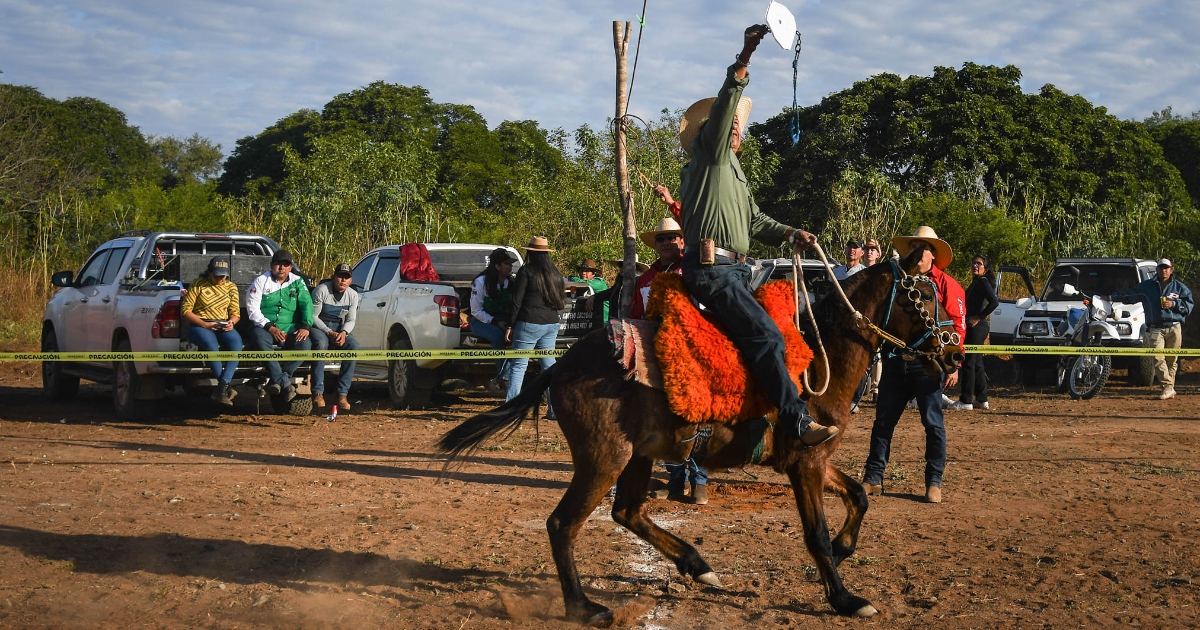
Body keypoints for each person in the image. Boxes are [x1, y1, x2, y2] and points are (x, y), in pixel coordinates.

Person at [675, 23, 837, 449]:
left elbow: (757, 221)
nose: (732, 129)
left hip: (735, 271)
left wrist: (791, 232)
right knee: (766, 336)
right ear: (709, 133)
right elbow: (727, 102)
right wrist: (745, 56)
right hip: (715, 271)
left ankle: (749, 416)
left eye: (734, 127)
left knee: (776, 332)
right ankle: (795, 423)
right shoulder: (708, 158)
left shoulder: (735, 174)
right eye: (724, 125)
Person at [862, 227, 966, 504]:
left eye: (922, 247)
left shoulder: (946, 285)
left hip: (928, 365)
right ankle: (873, 479)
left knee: (933, 424)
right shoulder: (896, 280)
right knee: (883, 422)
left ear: (933, 255)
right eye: (913, 246)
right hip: (895, 360)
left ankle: (934, 482)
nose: (915, 252)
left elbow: (957, 326)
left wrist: (954, 364)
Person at [1110, 258, 1193, 400]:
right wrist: (1111, 297)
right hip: (1155, 327)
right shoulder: (1147, 286)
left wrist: (1173, 304)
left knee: (1172, 360)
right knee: (1157, 357)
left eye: (1166, 268)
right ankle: (1167, 387)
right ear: (1157, 270)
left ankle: (1169, 388)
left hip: (1174, 326)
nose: (1164, 270)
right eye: (1161, 268)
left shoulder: (1180, 288)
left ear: (1171, 270)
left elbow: (1189, 306)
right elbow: (1130, 295)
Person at [505, 236, 566, 415]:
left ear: (530, 252)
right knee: (548, 367)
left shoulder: (527, 271)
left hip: (528, 323)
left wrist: (510, 325)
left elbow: (516, 301)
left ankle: (513, 408)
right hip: (551, 323)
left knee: (519, 366)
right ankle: (554, 410)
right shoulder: (555, 273)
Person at [246, 249, 314, 401]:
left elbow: (307, 305)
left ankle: (279, 380)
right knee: (260, 340)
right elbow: (253, 310)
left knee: (305, 345)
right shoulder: (260, 281)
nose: (282, 268)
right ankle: (285, 383)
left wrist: (305, 326)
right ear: (271, 265)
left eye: (286, 264)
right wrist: (270, 327)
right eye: (278, 264)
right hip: (264, 327)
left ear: (290, 267)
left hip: (290, 327)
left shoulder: (298, 282)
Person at [181, 256, 242, 406]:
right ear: (210, 273)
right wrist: (204, 324)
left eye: (223, 276)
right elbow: (186, 310)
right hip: (200, 325)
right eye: (217, 275)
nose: (220, 279)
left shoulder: (231, 287)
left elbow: (235, 313)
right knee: (211, 345)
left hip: (222, 324)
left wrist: (231, 323)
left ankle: (222, 386)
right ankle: (225, 388)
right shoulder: (198, 285)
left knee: (236, 343)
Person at [948, 255, 999, 411]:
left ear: (986, 268)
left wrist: (978, 317)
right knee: (977, 363)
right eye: (974, 262)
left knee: (969, 362)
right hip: (976, 327)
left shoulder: (982, 282)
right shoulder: (977, 282)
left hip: (977, 327)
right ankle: (982, 399)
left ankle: (966, 400)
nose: (975, 265)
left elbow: (994, 302)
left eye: (979, 263)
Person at [310, 263, 360, 411]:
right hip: (320, 326)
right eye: (340, 276)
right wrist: (328, 332)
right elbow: (313, 317)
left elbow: (351, 320)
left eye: (347, 277)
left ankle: (342, 394)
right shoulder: (321, 290)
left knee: (353, 346)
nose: (343, 280)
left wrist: (344, 333)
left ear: (350, 280)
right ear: (334, 277)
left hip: (339, 327)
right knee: (320, 344)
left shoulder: (353, 295)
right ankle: (318, 392)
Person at [470, 248, 517, 390]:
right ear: (497, 266)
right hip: (481, 321)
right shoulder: (481, 282)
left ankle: (515, 376)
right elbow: (475, 311)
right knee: (497, 336)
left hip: (505, 320)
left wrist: (510, 324)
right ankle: (505, 379)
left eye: (511, 264)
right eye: (506, 264)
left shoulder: (511, 283)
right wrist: (496, 322)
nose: (510, 267)